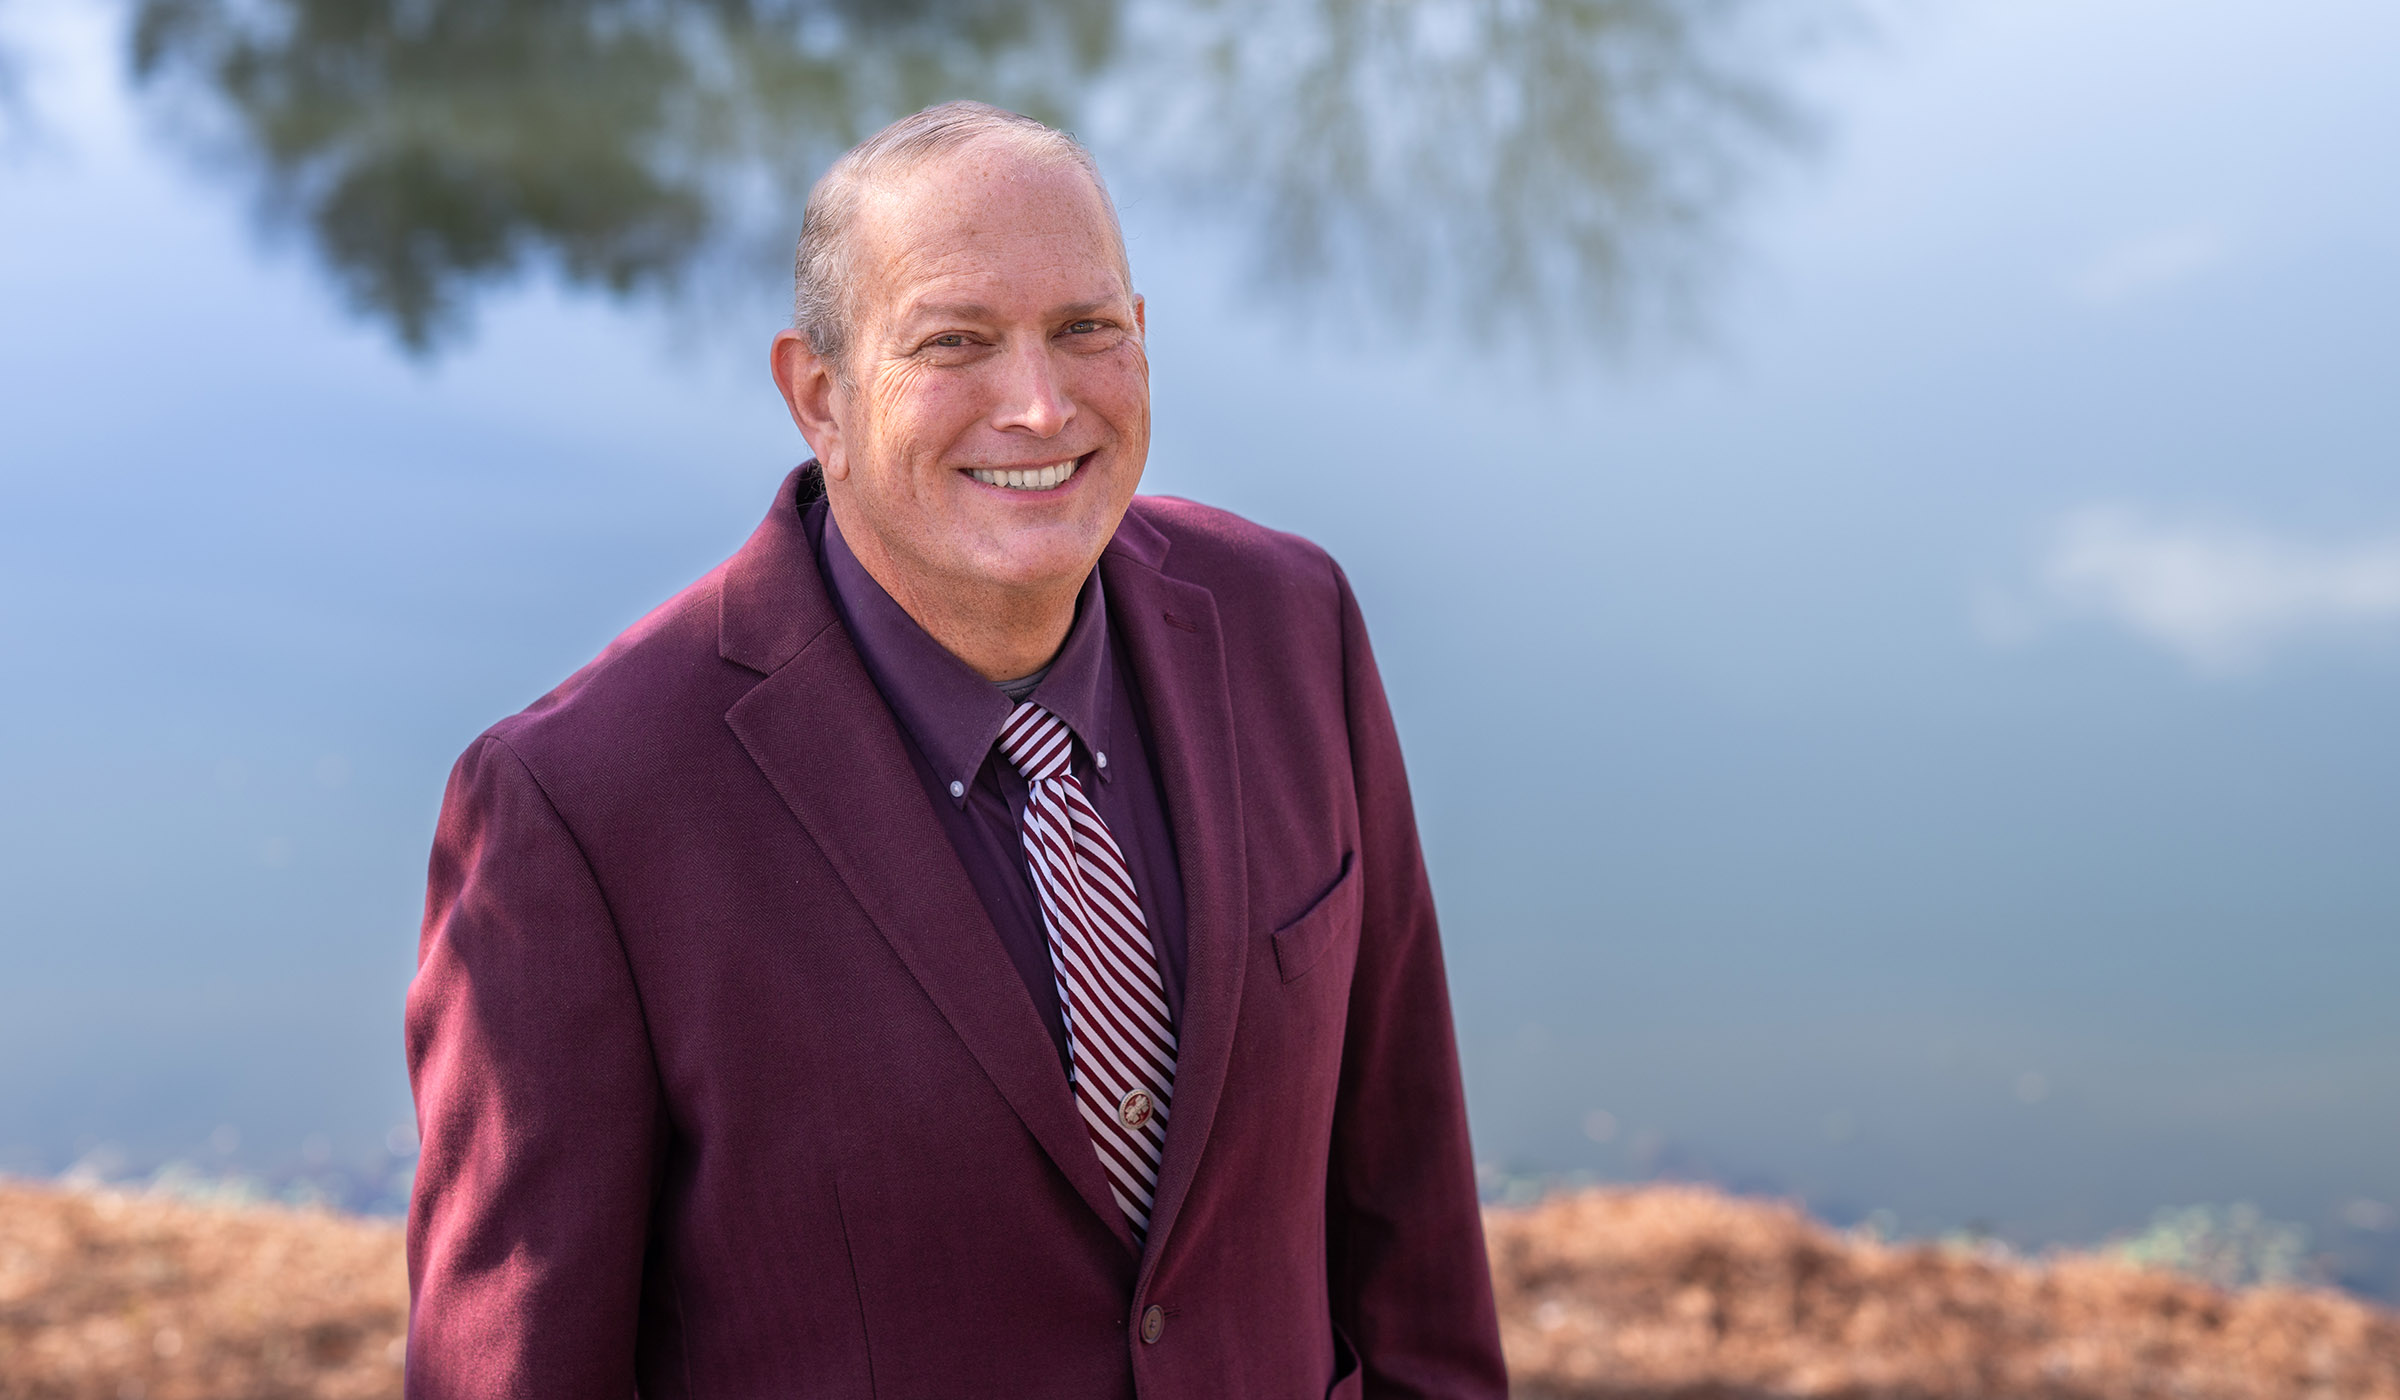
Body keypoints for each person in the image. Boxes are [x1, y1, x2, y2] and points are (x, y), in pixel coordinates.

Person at [403, 101, 1505, 1399]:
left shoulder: (1289, 626)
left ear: (1141, 339)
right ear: (820, 394)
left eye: (1085, 330)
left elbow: (1408, 1206)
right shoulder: (580, 810)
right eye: (955, 344)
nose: (1039, 406)